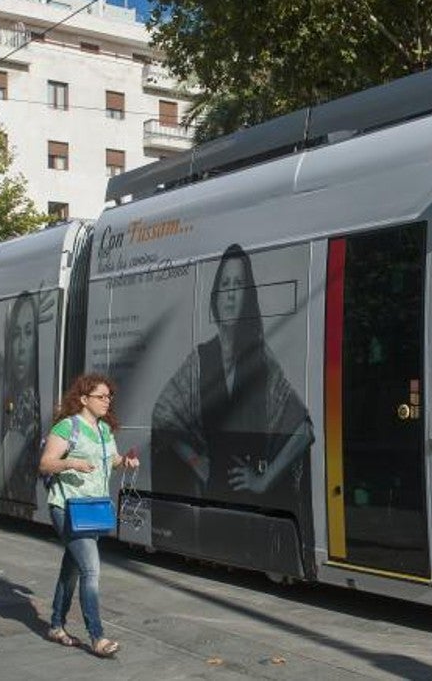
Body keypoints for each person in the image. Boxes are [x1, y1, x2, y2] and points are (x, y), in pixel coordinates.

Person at [151, 244, 314, 509]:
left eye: (238, 285)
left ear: (247, 297)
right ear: (216, 295)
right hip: (212, 498)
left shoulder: (260, 358)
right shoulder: (200, 359)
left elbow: (303, 430)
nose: (230, 295)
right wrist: (195, 462)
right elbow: (163, 415)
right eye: (225, 284)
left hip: (259, 506)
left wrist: (264, 480)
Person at [38, 373, 138, 658]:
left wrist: (125, 463)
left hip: (93, 508)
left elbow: (112, 461)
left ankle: (56, 625)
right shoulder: (67, 428)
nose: (107, 401)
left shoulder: (105, 430)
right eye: (101, 397)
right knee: (91, 570)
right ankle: (97, 637)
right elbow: (46, 464)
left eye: (109, 397)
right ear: (84, 399)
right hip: (67, 507)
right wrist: (71, 462)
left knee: (72, 569)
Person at [0, 291, 41, 508]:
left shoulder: (27, 400)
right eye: (16, 335)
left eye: (28, 332)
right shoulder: (27, 396)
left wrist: (1, 386)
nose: (22, 346)